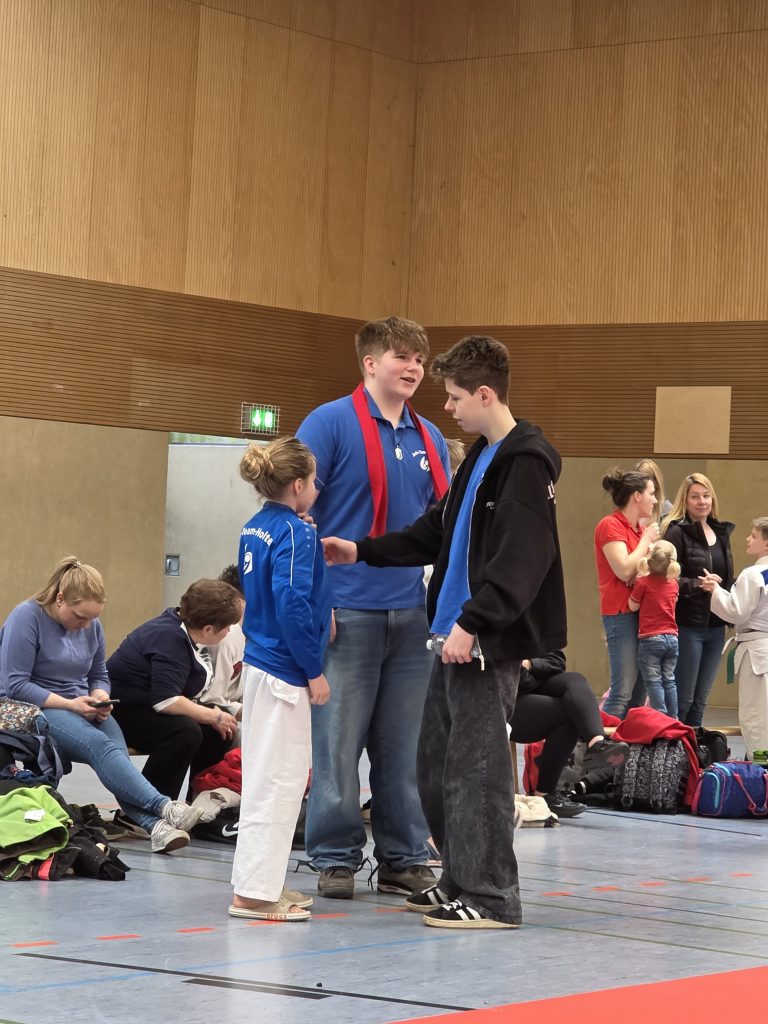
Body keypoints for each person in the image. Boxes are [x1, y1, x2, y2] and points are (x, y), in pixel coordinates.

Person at [323, 334, 566, 930]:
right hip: (449, 635)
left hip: (480, 641)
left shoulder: (524, 462)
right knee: (434, 765)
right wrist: (362, 550)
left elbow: (522, 559)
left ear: (485, 394)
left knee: (477, 771)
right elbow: (436, 531)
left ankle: (491, 896)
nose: (448, 408)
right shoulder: (482, 457)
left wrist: (474, 623)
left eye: (456, 397)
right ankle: (458, 878)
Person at [296, 315, 450, 900]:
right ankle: (335, 856)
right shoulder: (329, 423)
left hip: (411, 615)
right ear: (369, 363)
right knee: (337, 744)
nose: (413, 368)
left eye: (419, 359)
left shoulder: (430, 437)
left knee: (403, 747)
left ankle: (404, 855)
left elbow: (442, 527)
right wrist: (317, 601)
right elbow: (295, 514)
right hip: (345, 611)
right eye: (401, 357)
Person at [0, 556, 202, 853]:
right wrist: (71, 705)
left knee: (115, 755)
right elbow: (16, 685)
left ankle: (156, 828)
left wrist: (99, 695)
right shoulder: (26, 617)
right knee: (99, 746)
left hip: (81, 704)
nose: (85, 625)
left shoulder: (91, 625)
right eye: (79, 617)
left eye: (91, 619)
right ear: (60, 600)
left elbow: (99, 673)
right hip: (35, 707)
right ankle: (164, 807)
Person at [229, 437, 332, 922]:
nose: (319, 487)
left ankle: (260, 881)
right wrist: (314, 671)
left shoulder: (257, 525)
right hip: (284, 671)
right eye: (314, 480)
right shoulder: (295, 532)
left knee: (266, 779)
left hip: (260, 664)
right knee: (280, 783)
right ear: (297, 485)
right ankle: (253, 895)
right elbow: (291, 602)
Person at [106, 579, 242, 802]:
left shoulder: (185, 631)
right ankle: (148, 807)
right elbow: (166, 700)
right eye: (227, 627)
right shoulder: (170, 637)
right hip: (120, 713)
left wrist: (214, 717)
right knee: (185, 732)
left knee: (217, 730)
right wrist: (213, 715)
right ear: (208, 629)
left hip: (146, 707)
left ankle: (200, 802)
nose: (228, 632)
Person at [511, 652, 629, 817]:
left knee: (575, 680)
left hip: (530, 684)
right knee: (570, 713)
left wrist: (530, 664)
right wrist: (535, 671)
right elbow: (513, 674)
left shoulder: (540, 634)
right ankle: (544, 794)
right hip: (502, 700)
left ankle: (597, 744)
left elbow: (557, 662)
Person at [662, 473, 735, 726]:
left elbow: (727, 578)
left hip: (716, 627)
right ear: (685, 500)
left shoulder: (721, 533)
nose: (702, 501)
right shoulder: (676, 532)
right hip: (688, 626)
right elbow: (663, 577)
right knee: (684, 698)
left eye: (706, 496)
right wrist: (697, 584)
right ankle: (675, 745)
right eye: (695, 496)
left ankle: (694, 746)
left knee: (701, 700)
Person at [700, 517, 768, 759]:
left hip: (757, 653)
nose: (748, 539)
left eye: (754, 536)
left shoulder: (754, 574)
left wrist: (715, 590)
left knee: (757, 717)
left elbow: (736, 611)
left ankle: (762, 768)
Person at [594, 468, 660, 718]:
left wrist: (640, 564)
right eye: (651, 494)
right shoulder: (610, 525)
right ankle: (601, 741)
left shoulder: (638, 531)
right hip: (620, 613)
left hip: (643, 615)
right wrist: (646, 542)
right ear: (637, 496)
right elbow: (624, 570)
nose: (655, 500)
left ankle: (629, 744)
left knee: (638, 695)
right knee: (621, 691)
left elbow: (639, 571)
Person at [628, 540, 681, 717]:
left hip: (651, 638)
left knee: (653, 681)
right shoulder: (673, 583)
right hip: (672, 638)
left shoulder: (643, 582)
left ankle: (661, 716)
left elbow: (633, 606)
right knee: (669, 680)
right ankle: (673, 717)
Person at [200, 565, 246, 727]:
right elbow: (211, 699)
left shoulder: (248, 633)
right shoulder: (227, 636)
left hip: (233, 707)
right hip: (215, 713)